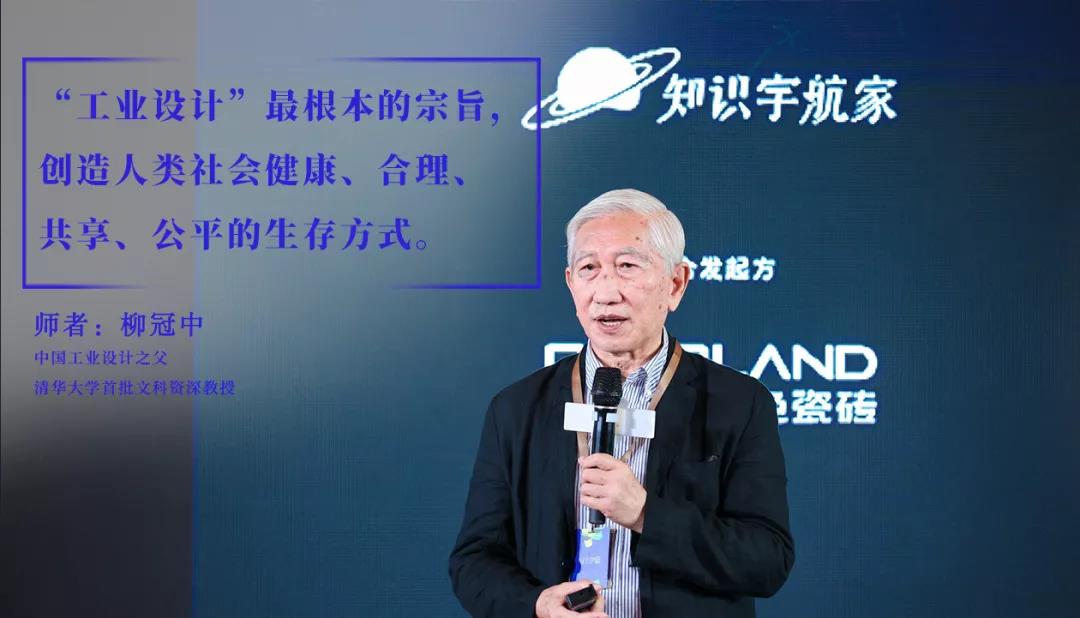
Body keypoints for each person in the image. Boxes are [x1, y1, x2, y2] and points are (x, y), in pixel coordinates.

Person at [449, 189, 794, 617]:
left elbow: (767, 560)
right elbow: (474, 561)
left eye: (627, 266)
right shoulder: (517, 408)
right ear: (571, 283)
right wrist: (538, 605)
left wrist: (646, 513)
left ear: (676, 284)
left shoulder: (738, 403)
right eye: (589, 268)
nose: (606, 292)